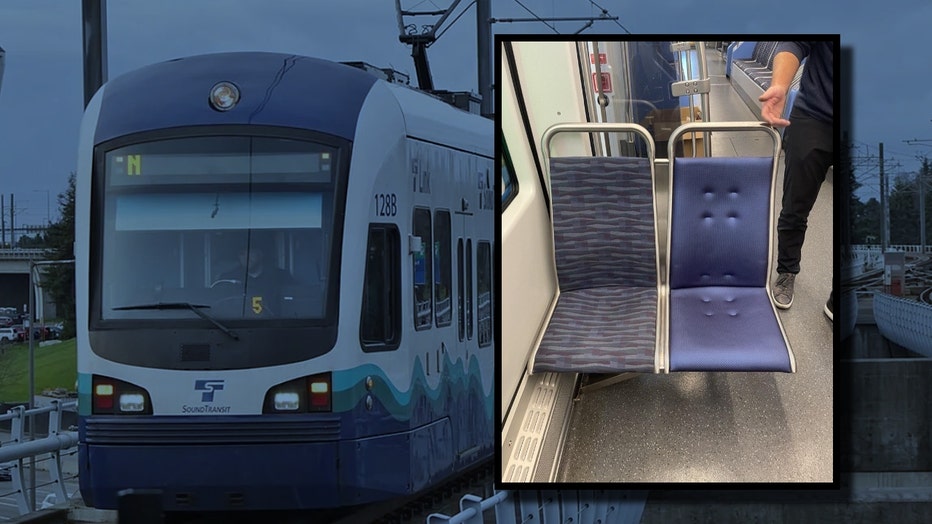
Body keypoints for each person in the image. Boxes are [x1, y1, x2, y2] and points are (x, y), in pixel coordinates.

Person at [758, 41, 834, 320]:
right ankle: (786, 271)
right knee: (795, 205)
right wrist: (780, 84)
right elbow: (797, 42)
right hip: (815, 114)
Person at [215, 246, 294, 316]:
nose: (246, 257)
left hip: (275, 324)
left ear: (260, 254)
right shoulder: (227, 279)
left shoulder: (281, 276)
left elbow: (295, 302)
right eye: (242, 254)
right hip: (237, 326)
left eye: (250, 252)